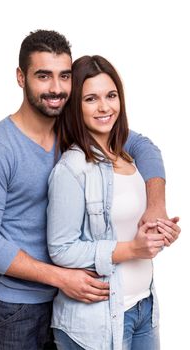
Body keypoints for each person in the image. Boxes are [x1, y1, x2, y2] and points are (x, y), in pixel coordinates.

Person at [0, 30, 177, 350]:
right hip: (14, 309)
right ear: (21, 77)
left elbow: (142, 146)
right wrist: (61, 277)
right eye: (43, 76)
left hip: (76, 303)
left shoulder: (75, 125)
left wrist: (155, 205)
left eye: (64, 76)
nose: (56, 88)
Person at [47, 55, 181, 350]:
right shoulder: (72, 169)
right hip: (96, 322)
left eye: (111, 95)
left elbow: (129, 225)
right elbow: (61, 248)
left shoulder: (126, 156)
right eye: (91, 99)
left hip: (143, 306)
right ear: (75, 107)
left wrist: (158, 231)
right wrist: (133, 249)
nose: (105, 107)